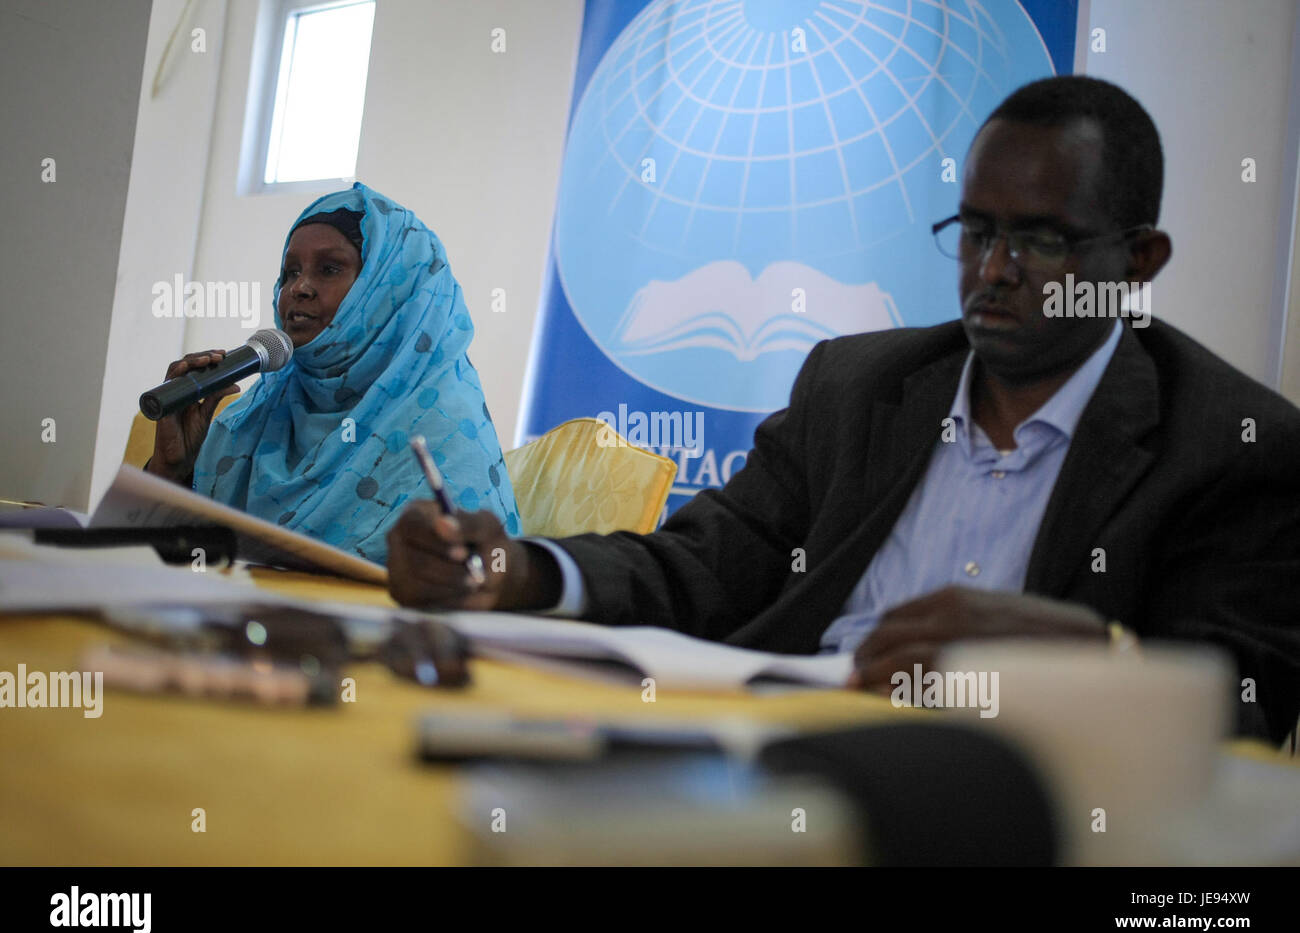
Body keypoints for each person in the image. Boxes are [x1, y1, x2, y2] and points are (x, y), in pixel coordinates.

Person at [384, 77, 1300, 744]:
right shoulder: (858, 387)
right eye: (977, 230)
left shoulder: (1229, 442)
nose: (992, 271)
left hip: (1011, 798)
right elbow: (705, 564)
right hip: (778, 752)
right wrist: (518, 571)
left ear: (1139, 262)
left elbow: (1252, 708)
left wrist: (1095, 659)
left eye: (1041, 241)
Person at [146, 182, 519, 564]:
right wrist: (172, 471)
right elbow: (156, 567)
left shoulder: (445, 429)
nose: (299, 289)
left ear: (391, 288)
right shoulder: (249, 420)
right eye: (290, 272)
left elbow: (469, 592)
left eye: (329, 269)